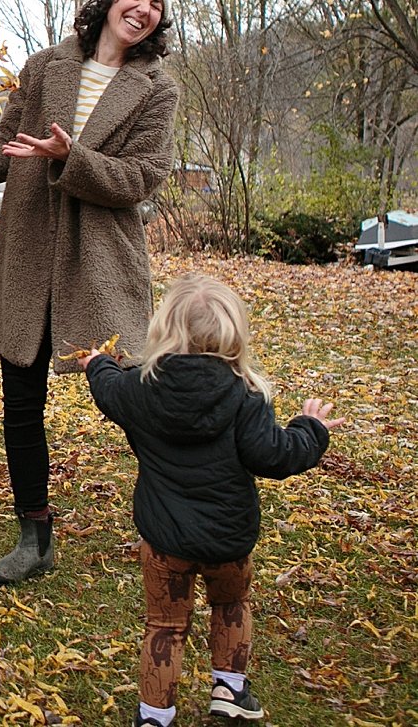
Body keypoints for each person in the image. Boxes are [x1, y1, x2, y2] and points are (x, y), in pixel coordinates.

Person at [0, 0, 180, 585]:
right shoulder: (46, 65)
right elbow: (9, 144)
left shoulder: (157, 88)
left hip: (101, 259)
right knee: (21, 402)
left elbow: (143, 179)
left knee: (130, 397)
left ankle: (181, 512)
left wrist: (73, 156)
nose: (142, 11)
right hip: (29, 250)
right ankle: (34, 539)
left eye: (156, 6)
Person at [82, 274, 341, 726]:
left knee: (165, 626)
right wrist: (311, 429)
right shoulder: (246, 395)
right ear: (234, 336)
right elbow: (276, 456)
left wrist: (98, 364)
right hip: (229, 538)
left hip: (164, 542)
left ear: (163, 330)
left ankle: (154, 716)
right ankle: (230, 688)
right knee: (231, 606)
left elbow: (108, 389)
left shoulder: (141, 388)